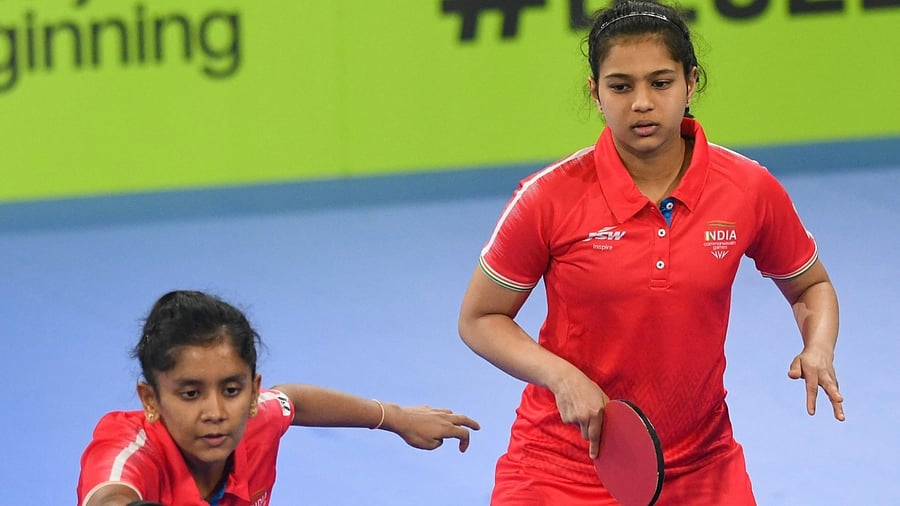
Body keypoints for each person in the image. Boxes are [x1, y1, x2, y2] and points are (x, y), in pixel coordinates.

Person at [457, 1, 844, 504]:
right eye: (621, 86)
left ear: (691, 82)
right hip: (559, 468)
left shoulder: (747, 189)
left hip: (703, 467)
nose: (641, 102)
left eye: (661, 83)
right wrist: (559, 375)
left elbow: (810, 283)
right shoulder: (547, 198)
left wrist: (818, 346)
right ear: (594, 93)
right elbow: (480, 317)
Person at [77, 290, 480, 506]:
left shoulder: (254, 420)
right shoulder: (129, 448)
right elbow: (110, 494)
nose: (216, 412)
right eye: (190, 393)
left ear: (253, 391)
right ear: (150, 399)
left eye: (232, 390)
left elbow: (292, 401)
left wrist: (395, 417)